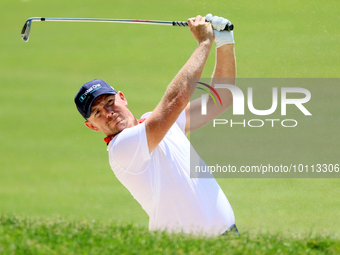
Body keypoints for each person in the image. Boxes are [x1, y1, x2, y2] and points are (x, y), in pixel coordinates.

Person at [74, 14, 237, 236]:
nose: (109, 113)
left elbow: (221, 100)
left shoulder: (155, 122)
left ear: (122, 97)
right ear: (92, 126)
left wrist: (225, 40)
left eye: (110, 102)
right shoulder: (122, 148)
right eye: (97, 112)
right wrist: (205, 42)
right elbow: (176, 100)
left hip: (229, 237)